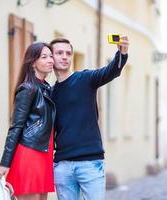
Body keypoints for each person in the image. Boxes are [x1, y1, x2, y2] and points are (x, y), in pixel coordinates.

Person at [50, 36, 129, 200]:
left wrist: (122, 53)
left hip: (90, 164)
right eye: (59, 53)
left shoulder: (85, 79)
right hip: (62, 165)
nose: (65, 56)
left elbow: (111, 71)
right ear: (51, 57)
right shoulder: (49, 93)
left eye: (68, 53)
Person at [0, 42, 55, 200]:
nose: (51, 60)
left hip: (45, 152)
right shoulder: (28, 88)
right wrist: (5, 162)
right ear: (33, 62)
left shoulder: (46, 88)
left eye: (51, 56)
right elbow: (16, 127)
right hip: (30, 152)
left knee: (42, 197)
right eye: (44, 57)